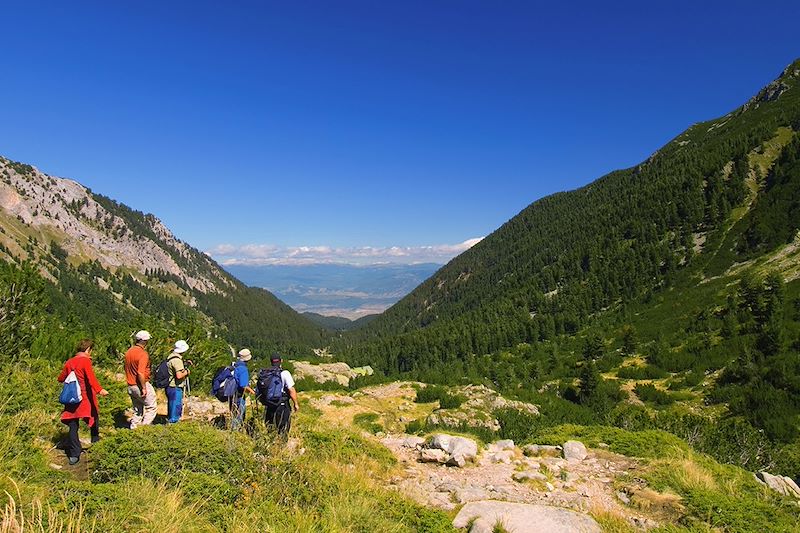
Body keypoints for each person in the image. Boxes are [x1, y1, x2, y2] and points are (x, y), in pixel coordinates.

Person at [57, 339, 108, 465]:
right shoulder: (85, 361)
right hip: (85, 397)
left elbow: (61, 378)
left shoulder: (70, 362)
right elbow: (91, 378)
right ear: (88, 349)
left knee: (73, 425)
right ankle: (96, 445)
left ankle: (74, 454)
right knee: (94, 417)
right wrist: (100, 390)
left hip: (72, 398)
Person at [124, 330, 157, 428]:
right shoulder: (143, 354)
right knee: (151, 407)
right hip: (140, 384)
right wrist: (143, 387)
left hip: (130, 385)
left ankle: (134, 429)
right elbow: (140, 372)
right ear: (145, 341)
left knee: (137, 410)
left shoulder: (129, 352)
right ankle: (144, 429)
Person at [263, 354, 299, 436]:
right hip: (281, 405)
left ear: (271, 362)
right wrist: (296, 404)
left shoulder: (266, 373)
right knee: (283, 428)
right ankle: (281, 446)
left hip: (269, 405)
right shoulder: (285, 373)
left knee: (270, 428)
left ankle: (270, 445)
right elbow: (291, 389)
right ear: (281, 361)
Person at [166, 340, 192, 424]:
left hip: (169, 386)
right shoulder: (177, 361)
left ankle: (171, 421)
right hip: (175, 387)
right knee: (175, 407)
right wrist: (187, 371)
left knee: (171, 406)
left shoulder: (171, 356)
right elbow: (179, 375)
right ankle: (173, 424)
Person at [231, 348, 255, 430]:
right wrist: (253, 392)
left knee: (234, 414)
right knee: (239, 416)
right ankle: (236, 432)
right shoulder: (243, 369)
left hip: (232, 393)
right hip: (239, 395)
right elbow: (243, 385)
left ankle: (234, 430)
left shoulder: (235, 365)